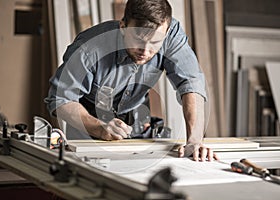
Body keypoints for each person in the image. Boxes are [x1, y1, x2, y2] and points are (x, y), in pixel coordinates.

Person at [45, 0, 217, 161]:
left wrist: (195, 140)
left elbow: (191, 82)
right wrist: (99, 128)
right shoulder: (88, 49)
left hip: (135, 120)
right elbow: (61, 99)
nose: (145, 51)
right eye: (138, 40)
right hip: (88, 121)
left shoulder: (170, 34)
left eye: (155, 43)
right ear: (123, 26)